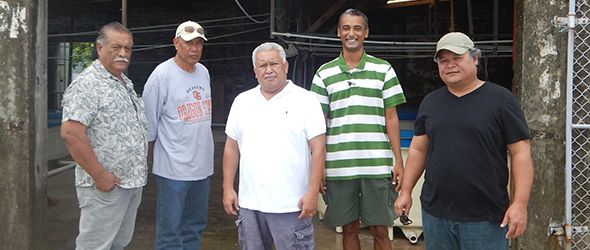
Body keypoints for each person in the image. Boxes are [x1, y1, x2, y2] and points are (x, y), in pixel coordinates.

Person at [394, 32, 534, 250]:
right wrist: (406, 191)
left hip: (485, 218)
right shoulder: (430, 103)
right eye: (444, 60)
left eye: (457, 58)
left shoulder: (502, 100)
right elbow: (418, 150)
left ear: (474, 59)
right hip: (436, 215)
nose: (450, 65)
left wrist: (519, 204)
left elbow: (521, 154)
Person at [309, 8, 407, 250]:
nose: (351, 33)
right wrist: (318, 166)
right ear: (339, 33)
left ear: (366, 33)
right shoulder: (324, 74)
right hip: (338, 166)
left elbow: (391, 118)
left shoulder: (384, 70)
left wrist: (399, 161)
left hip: (377, 165)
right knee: (348, 228)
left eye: (356, 28)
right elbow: (317, 124)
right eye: (345, 28)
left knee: (380, 229)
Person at [222, 42, 326, 250]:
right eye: (262, 66)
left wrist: (312, 192)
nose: (268, 70)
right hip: (250, 204)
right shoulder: (242, 101)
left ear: (285, 66)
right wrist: (227, 187)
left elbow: (319, 149)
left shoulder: (306, 100)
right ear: (255, 71)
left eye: (274, 64)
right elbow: (231, 147)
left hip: (292, 205)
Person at [60, 22, 148, 250]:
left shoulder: (123, 81)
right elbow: (71, 134)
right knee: (95, 246)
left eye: (128, 48)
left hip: (129, 183)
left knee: (118, 243)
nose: (123, 53)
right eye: (116, 46)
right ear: (99, 48)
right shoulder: (88, 84)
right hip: (105, 186)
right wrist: (100, 176)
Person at [141, 20, 214, 250]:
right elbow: (149, 124)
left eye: (199, 44)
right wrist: (149, 160)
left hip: (202, 167)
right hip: (172, 168)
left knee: (195, 226)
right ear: (176, 43)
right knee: (170, 231)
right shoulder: (161, 75)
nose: (194, 49)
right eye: (188, 43)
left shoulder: (203, 72)